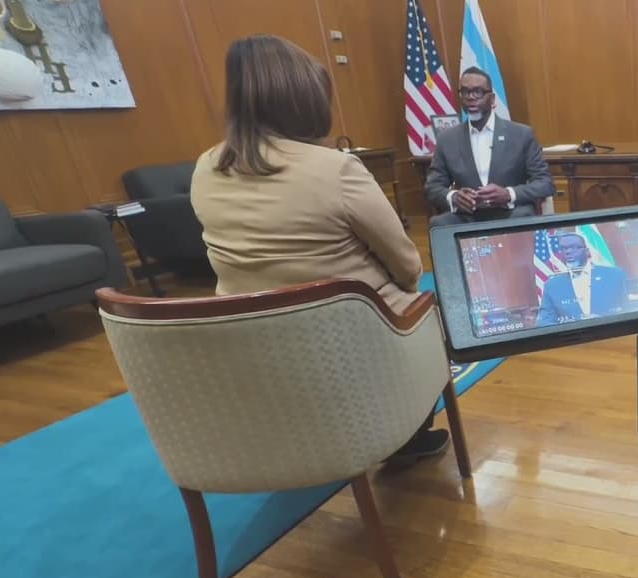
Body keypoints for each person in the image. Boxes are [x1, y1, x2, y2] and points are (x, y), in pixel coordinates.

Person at [189, 35, 448, 462]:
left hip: (251, 344)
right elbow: (406, 266)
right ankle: (406, 438)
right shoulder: (336, 168)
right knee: (434, 312)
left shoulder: (204, 167)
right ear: (306, 99)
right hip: (350, 345)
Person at [425, 67, 554, 227]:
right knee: (439, 224)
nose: (471, 97)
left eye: (478, 92)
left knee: (523, 218)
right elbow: (433, 187)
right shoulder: (447, 139)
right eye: (465, 92)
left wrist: (508, 194)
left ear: (492, 99)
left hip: (510, 213)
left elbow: (545, 183)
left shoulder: (521, 134)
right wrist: (454, 197)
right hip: (468, 216)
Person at [536, 233, 629, 326]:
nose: (568, 252)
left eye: (574, 247)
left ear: (587, 251)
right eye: (563, 248)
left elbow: (629, 308)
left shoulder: (614, 275)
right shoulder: (552, 285)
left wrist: (603, 320)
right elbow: (544, 322)